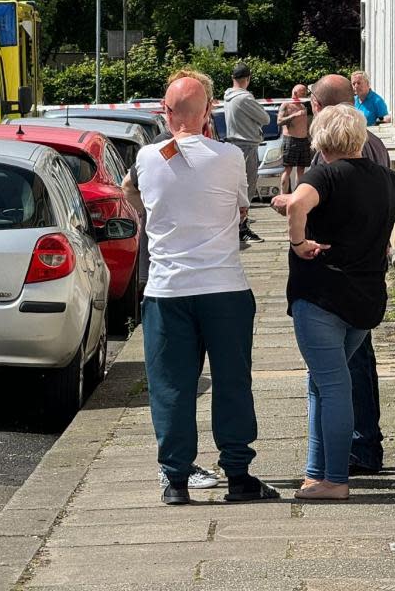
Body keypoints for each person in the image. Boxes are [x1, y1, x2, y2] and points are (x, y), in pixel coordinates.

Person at [124, 76, 279, 506]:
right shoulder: (229, 157)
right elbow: (242, 209)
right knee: (232, 382)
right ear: (209, 110)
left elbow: (135, 199)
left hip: (167, 290)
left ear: (165, 111)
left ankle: (175, 479)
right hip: (224, 286)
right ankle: (239, 475)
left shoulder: (147, 157)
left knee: (171, 385)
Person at [282, 105, 395, 500]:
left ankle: (334, 480)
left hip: (322, 296)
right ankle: (316, 472)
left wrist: (299, 242)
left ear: (321, 140)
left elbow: (297, 204)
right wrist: (381, 219)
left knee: (331, 386)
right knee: (323, 382)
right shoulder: (384, 178)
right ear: (359, 137)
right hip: (366, 301)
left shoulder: (323, 174)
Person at [274, 73, 391, 474]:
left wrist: (298, 238)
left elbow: (321, 204)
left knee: (336, 380)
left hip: (334, 282)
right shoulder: (374, 149)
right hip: (367, 279)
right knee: (340, 374)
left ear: (319, 111)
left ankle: (340, 464)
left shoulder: (330, 167)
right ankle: (335, 459)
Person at [223, 64, 269, 244]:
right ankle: (242, 228)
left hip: (235, 144)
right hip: (248, 145)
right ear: (248, 78)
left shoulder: (228, 96)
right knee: (247, 187)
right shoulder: (244, 98)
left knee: (237, 187)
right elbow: (265, 118)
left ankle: (237, 225)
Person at [278, 84, 313, 194]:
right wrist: (295, 115)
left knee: (301, 170)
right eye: (302, 93)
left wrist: (309, 137)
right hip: (291, 140)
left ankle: (299, 195)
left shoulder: (303, 106)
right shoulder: (286, 105)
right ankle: (283, 195)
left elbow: (305, 125)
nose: (304, 96)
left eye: (305, 94)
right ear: (295, 93)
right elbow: (279, 121)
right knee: (288, 169)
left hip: (303, 140)